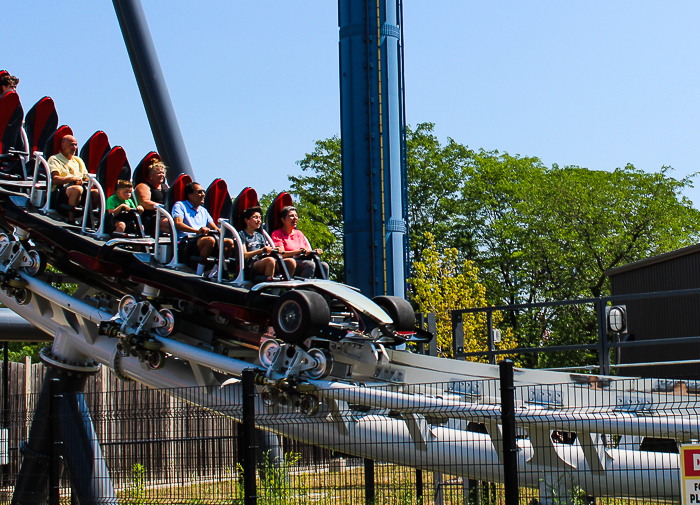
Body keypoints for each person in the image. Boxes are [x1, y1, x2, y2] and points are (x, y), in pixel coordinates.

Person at [172, 181, 234, 276]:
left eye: (203, 192)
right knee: (209, 240)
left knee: (229, 242)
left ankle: (215, 272)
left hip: (201, 239)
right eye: (199, 192)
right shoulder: (180, 205)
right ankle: (199, 273)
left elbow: (213, 226)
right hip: (187, 240)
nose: (203, 195)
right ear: (190, 195)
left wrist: (219, 231)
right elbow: (178, 224)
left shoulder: (203, 210)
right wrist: (197, 231)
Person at [47, 135, 98, 222]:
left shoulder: (78, 160)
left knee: (96, 193)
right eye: (71, 145)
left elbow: (86, 177)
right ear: (63, 145)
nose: (74, 147)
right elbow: (54, 179)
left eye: (75, 145)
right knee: (76, 189)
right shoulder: (54, 159)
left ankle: (88, 219)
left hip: (80, 189)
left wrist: (89, 180)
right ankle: (71, 219)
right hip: (60, 192)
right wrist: (72, 179)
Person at [270, 205, 329, 278]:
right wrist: (298, 252)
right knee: (309, 265)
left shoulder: (299, 233)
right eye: (291, 216)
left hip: (302, 260)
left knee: (324, 266)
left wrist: (315, 251)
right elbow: (281, 254)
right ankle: (305, 288)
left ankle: (321, 288)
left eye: (296, 216)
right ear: (283, 220)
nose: (295, 218)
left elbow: (307, 251)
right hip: (288, 263)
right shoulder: (277, 233)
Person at [239, 206, 295, 279]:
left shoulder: (260, 236)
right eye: (255, 217)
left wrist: (276, 249)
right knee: (270, 260)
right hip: (250, 264)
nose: (259, 220)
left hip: (262, 260)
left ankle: (283, 287)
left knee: (290, 261)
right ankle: (268, 286)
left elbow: (267, 250)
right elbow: (244, 255)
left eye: (260, 218)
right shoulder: (242, 234)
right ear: (246, 220)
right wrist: (261, 250)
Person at [134, 159, 169, 235]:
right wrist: (163, 207)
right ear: (150, 175)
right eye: (158, 173)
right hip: (153, 217)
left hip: (166, 215)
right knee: (171, 224)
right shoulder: (143, 186)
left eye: (163, 173)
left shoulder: (166, 187)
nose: (162, 175)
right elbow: (144, 202)